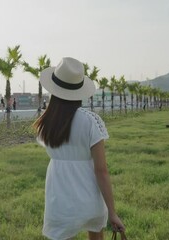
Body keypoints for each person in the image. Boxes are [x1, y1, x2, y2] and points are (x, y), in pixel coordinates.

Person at [34, 57, 125, 240]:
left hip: (59, 198)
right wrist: (112, 212)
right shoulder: (90, 121)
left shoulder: (45, 123)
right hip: (88, 196)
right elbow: (101, 170)